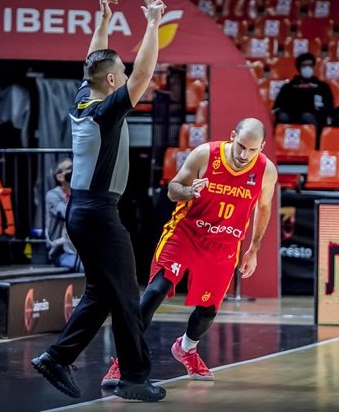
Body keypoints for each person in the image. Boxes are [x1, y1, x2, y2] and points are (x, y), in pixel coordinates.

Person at [31, 0, 167, 402]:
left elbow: (93, 62)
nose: (127, 78)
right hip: (98, 214)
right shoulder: (107, 111)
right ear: (112, 82)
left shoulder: (84, 98)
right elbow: (142, 75)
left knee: (103, 293)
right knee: (126, 293)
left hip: (86, 211)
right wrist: (153, 24)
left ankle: (57, 358)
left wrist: (104, 20)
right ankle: (133, 378)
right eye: (120, 75)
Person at [101, 117, 277, 386]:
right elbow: (172, 189)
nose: (244, 155)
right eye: (241, 146)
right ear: (232, 136)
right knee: (156, 291)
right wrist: (188, 192)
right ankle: (124, 361)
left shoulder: (266, 171)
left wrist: (254, 248)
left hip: (224, 244)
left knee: (207, 311)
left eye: (253, 150)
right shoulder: (206, 154)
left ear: (262, 147)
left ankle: (186, 348)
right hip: (186, 234)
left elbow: (264, 209)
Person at [272, 52, 334, 144]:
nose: (307, 68)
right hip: (291, 117)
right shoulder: (289, 87)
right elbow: (277, 107)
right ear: (299, 68)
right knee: (282, 117)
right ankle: (278, 146)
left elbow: (329, 107)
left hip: (313, 119)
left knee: (307, 117)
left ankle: (313, 145)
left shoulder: (322, 87)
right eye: (304, 65)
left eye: (310, 65)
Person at [45, 157, 82, 271]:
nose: (74, 170)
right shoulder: (53, 196)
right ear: (60, 177)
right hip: (62, 251)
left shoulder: (81, 194)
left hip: (80, 251)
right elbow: (68, 213)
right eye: (69, 168)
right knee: (86, 268)